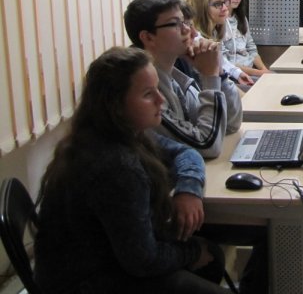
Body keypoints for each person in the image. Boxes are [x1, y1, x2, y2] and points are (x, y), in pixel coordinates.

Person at [34, 46, 230, 294]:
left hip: (113, 263)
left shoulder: (121, 133)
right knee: (205, 254)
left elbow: (185, 152)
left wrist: (189, 189)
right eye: (148, 94)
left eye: (157, 89)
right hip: (90, 282)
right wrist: (191, 253)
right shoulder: (115, 166)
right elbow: (143, 261)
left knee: (212, 256)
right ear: (115, 105)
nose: (160, 100)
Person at [124, 0, 242, 159]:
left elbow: (230, 124)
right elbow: (206, 145)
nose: (189, 31)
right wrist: (210, 77)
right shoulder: (147, 93)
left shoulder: (175, 77)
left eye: (185, 22)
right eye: (175, 24)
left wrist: (219, 75)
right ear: (148, 37)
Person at [218, 0, 270, 79]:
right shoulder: (218, 22)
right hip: (235, 75)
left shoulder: (241, 18)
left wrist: (264, 70)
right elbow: (226, 62)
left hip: (251, 70)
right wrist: (260, 73)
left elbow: (251, 48)